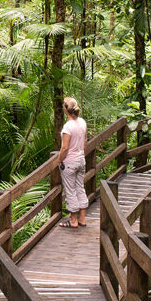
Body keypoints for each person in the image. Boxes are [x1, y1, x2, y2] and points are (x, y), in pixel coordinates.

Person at [58, 97, 89, 228]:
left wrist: (59, 160)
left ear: (66, 110)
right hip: (81, 160)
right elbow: (85, 141)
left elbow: (64, 148)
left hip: (69, 162)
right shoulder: (82, 122)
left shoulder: (68, 127)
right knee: (80, 188)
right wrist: (81, 154)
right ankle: (82, 219)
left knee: (70, 191)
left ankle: (73, 220)